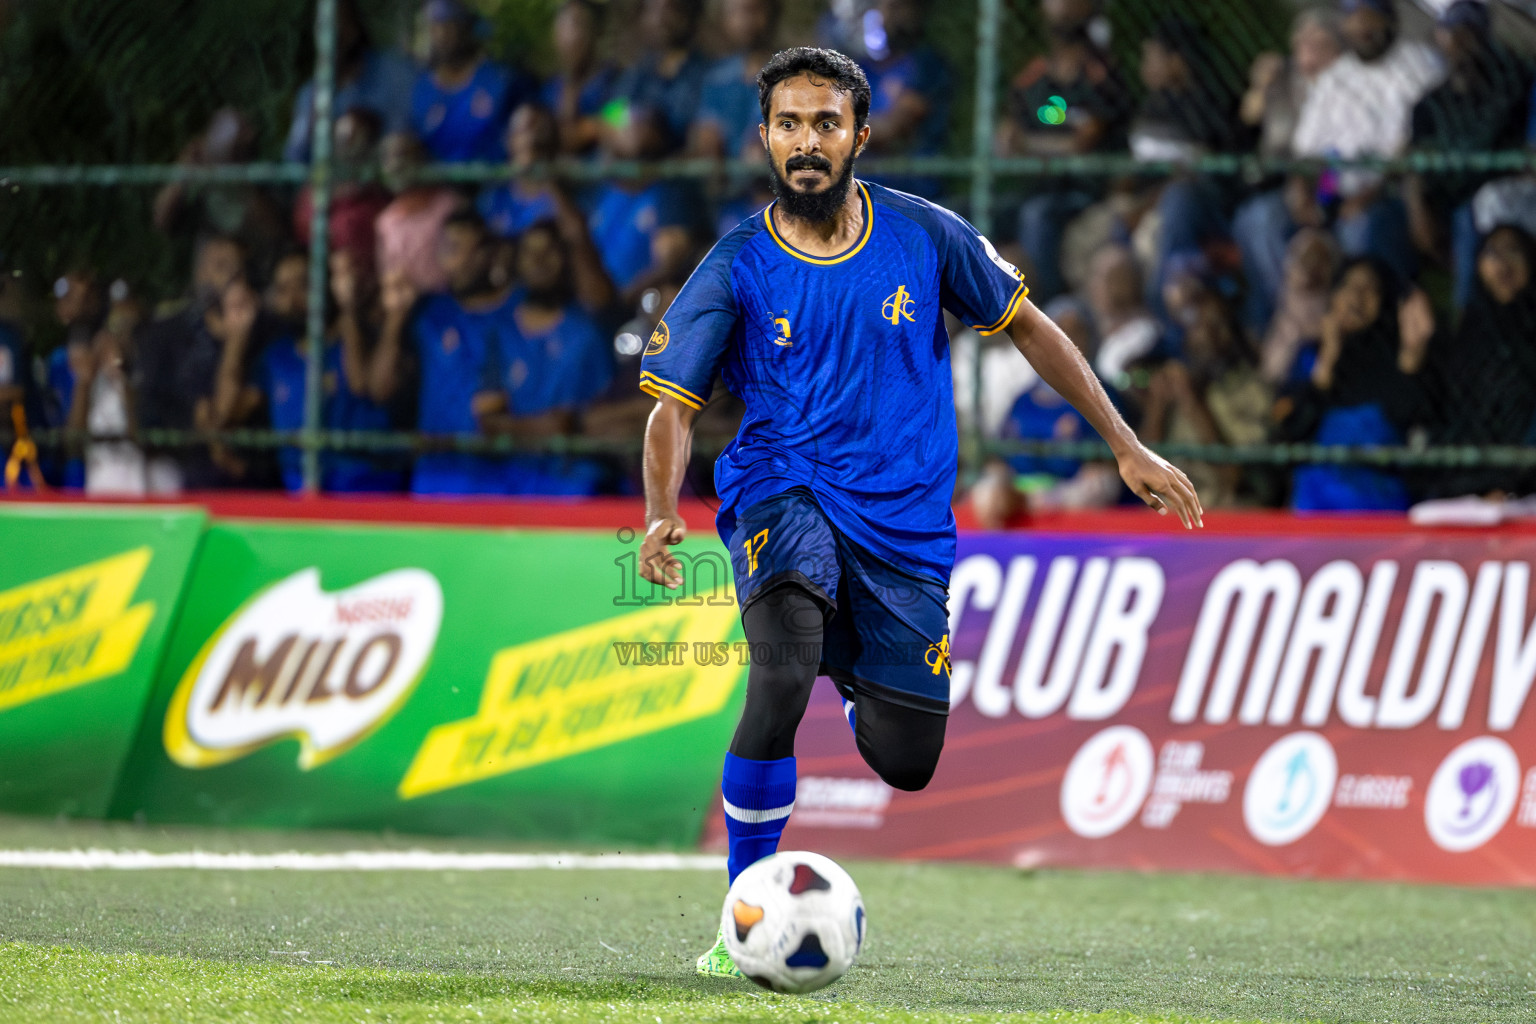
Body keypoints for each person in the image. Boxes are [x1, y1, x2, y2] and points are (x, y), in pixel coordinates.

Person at [635, 47, 1202, 979]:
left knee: (907, 757)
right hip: (784, 488)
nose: (806, 142)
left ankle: (852, 656)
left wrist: (1124, 442)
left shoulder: (924, 234)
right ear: (765, 137)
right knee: (779, 675)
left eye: (825, 123)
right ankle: (742, 915)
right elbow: (671, 405)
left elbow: (1029, 324)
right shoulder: (736, 263)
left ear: (859, 132)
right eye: (788, 123)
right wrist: (662, 509)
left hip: (903, 529)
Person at [997, 0, 1131, 303]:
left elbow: (1084, 143)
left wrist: (1029, 145)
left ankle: (1045, 315)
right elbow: (1006, 143)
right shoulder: (1032, 77)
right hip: (1034, 188)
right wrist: (1051, 146)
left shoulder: (1102, 76)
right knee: (967, 212)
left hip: (1087, 191)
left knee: (1038, 217)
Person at [371, 210, 511, 495]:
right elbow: (379, 388)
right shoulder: (430, 314)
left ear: (487, 255)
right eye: (444, 249)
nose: (450, 261)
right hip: (436, 482)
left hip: (505, 483)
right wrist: (396, 318)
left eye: (458, 249)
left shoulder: (518, 314)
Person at [1407, 0, 1532, 310]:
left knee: (1477, 210)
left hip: (1500, 198)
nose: (1461, 42)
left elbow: (1524, 159)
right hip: (1448, 201)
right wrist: (1417, 207)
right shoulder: (1429, 105)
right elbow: (1413, 165)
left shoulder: (1514, 84)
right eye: (1453, 34)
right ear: (1440, 39)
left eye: (1470, 33)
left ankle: (1474, 321)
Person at [1284, 257, 1434, 511]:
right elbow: (1290, 432)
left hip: (1380, 501)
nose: (1357, 296)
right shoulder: (1310, 356)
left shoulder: (1398, 357)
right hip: (1316, 502)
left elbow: (1412, 423)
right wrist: (1327, 362)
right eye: (1348, 286)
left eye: (1370, 290)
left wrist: (1411, 361)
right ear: (1334, 295)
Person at [260, 250, 412, 494]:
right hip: (300, 492)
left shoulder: (363, 336)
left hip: (368, 486)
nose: (293, 299)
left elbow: (361, 384)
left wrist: (347, 309)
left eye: (304, 285)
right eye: (282, 289)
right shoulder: (275, 356)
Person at [481, 220, 614, 495]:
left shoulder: (586, 334)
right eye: (530, 252)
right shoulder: (500, 331)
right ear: (517, 261)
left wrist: (519, 428)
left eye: (550, 251)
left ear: (565, 259)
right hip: (509, 480)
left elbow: (594, 421)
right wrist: (548, 427)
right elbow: (488, 421)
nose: (539, 261)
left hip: (574, 482)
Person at [1429, 225, 1536, 496]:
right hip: (1471, 487)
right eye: (1491, 252)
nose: (1502, 261)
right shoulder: (1465, 335)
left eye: (1513, 251)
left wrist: (1510, 483)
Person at [587, 107, 696, 307]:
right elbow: (609, 110)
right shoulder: (600, 189)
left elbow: (669, 263)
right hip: (595, 302)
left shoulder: (670, 191)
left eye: (643, 123)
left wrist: (622, 300)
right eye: (627, 125)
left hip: (640, 305)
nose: (633, 128)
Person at [284, 0, 416, 162]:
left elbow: (408, 138)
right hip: (334, 184)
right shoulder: (310, 94)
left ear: (354, 28)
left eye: (338, 25)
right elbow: (294, 160)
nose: (330, 37)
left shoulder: (394, 72)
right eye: (322, 27)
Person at [410, 0, 531, 164]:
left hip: (497, 184)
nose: (441, 35)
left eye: (448, 25)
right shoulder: (421, 91)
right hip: (440, 187)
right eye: (433, 27)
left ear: (466, 28)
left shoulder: (502, 80)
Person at [609, 0, 712, 150]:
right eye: (653, 10)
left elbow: (704, 133)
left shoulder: (705, 73)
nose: (661, 19)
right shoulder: (638, 72)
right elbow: (611, 111)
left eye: (670, 9)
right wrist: (624, 131)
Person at [374, 132, 466, 295]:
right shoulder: (386, 221)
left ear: (420, 160)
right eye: (387, 159)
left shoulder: (450, 205)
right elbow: (388, 275)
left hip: (449, 300)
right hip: (407, 302)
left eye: (402, 156)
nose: (394, 166)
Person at [542, 0, 616, 157]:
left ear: (597, 32)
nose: (572, 36)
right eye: (564, 27)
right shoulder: (548, 90)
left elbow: (623, 118)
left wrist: (590, 128)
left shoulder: (615, 79)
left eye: (579, 25)